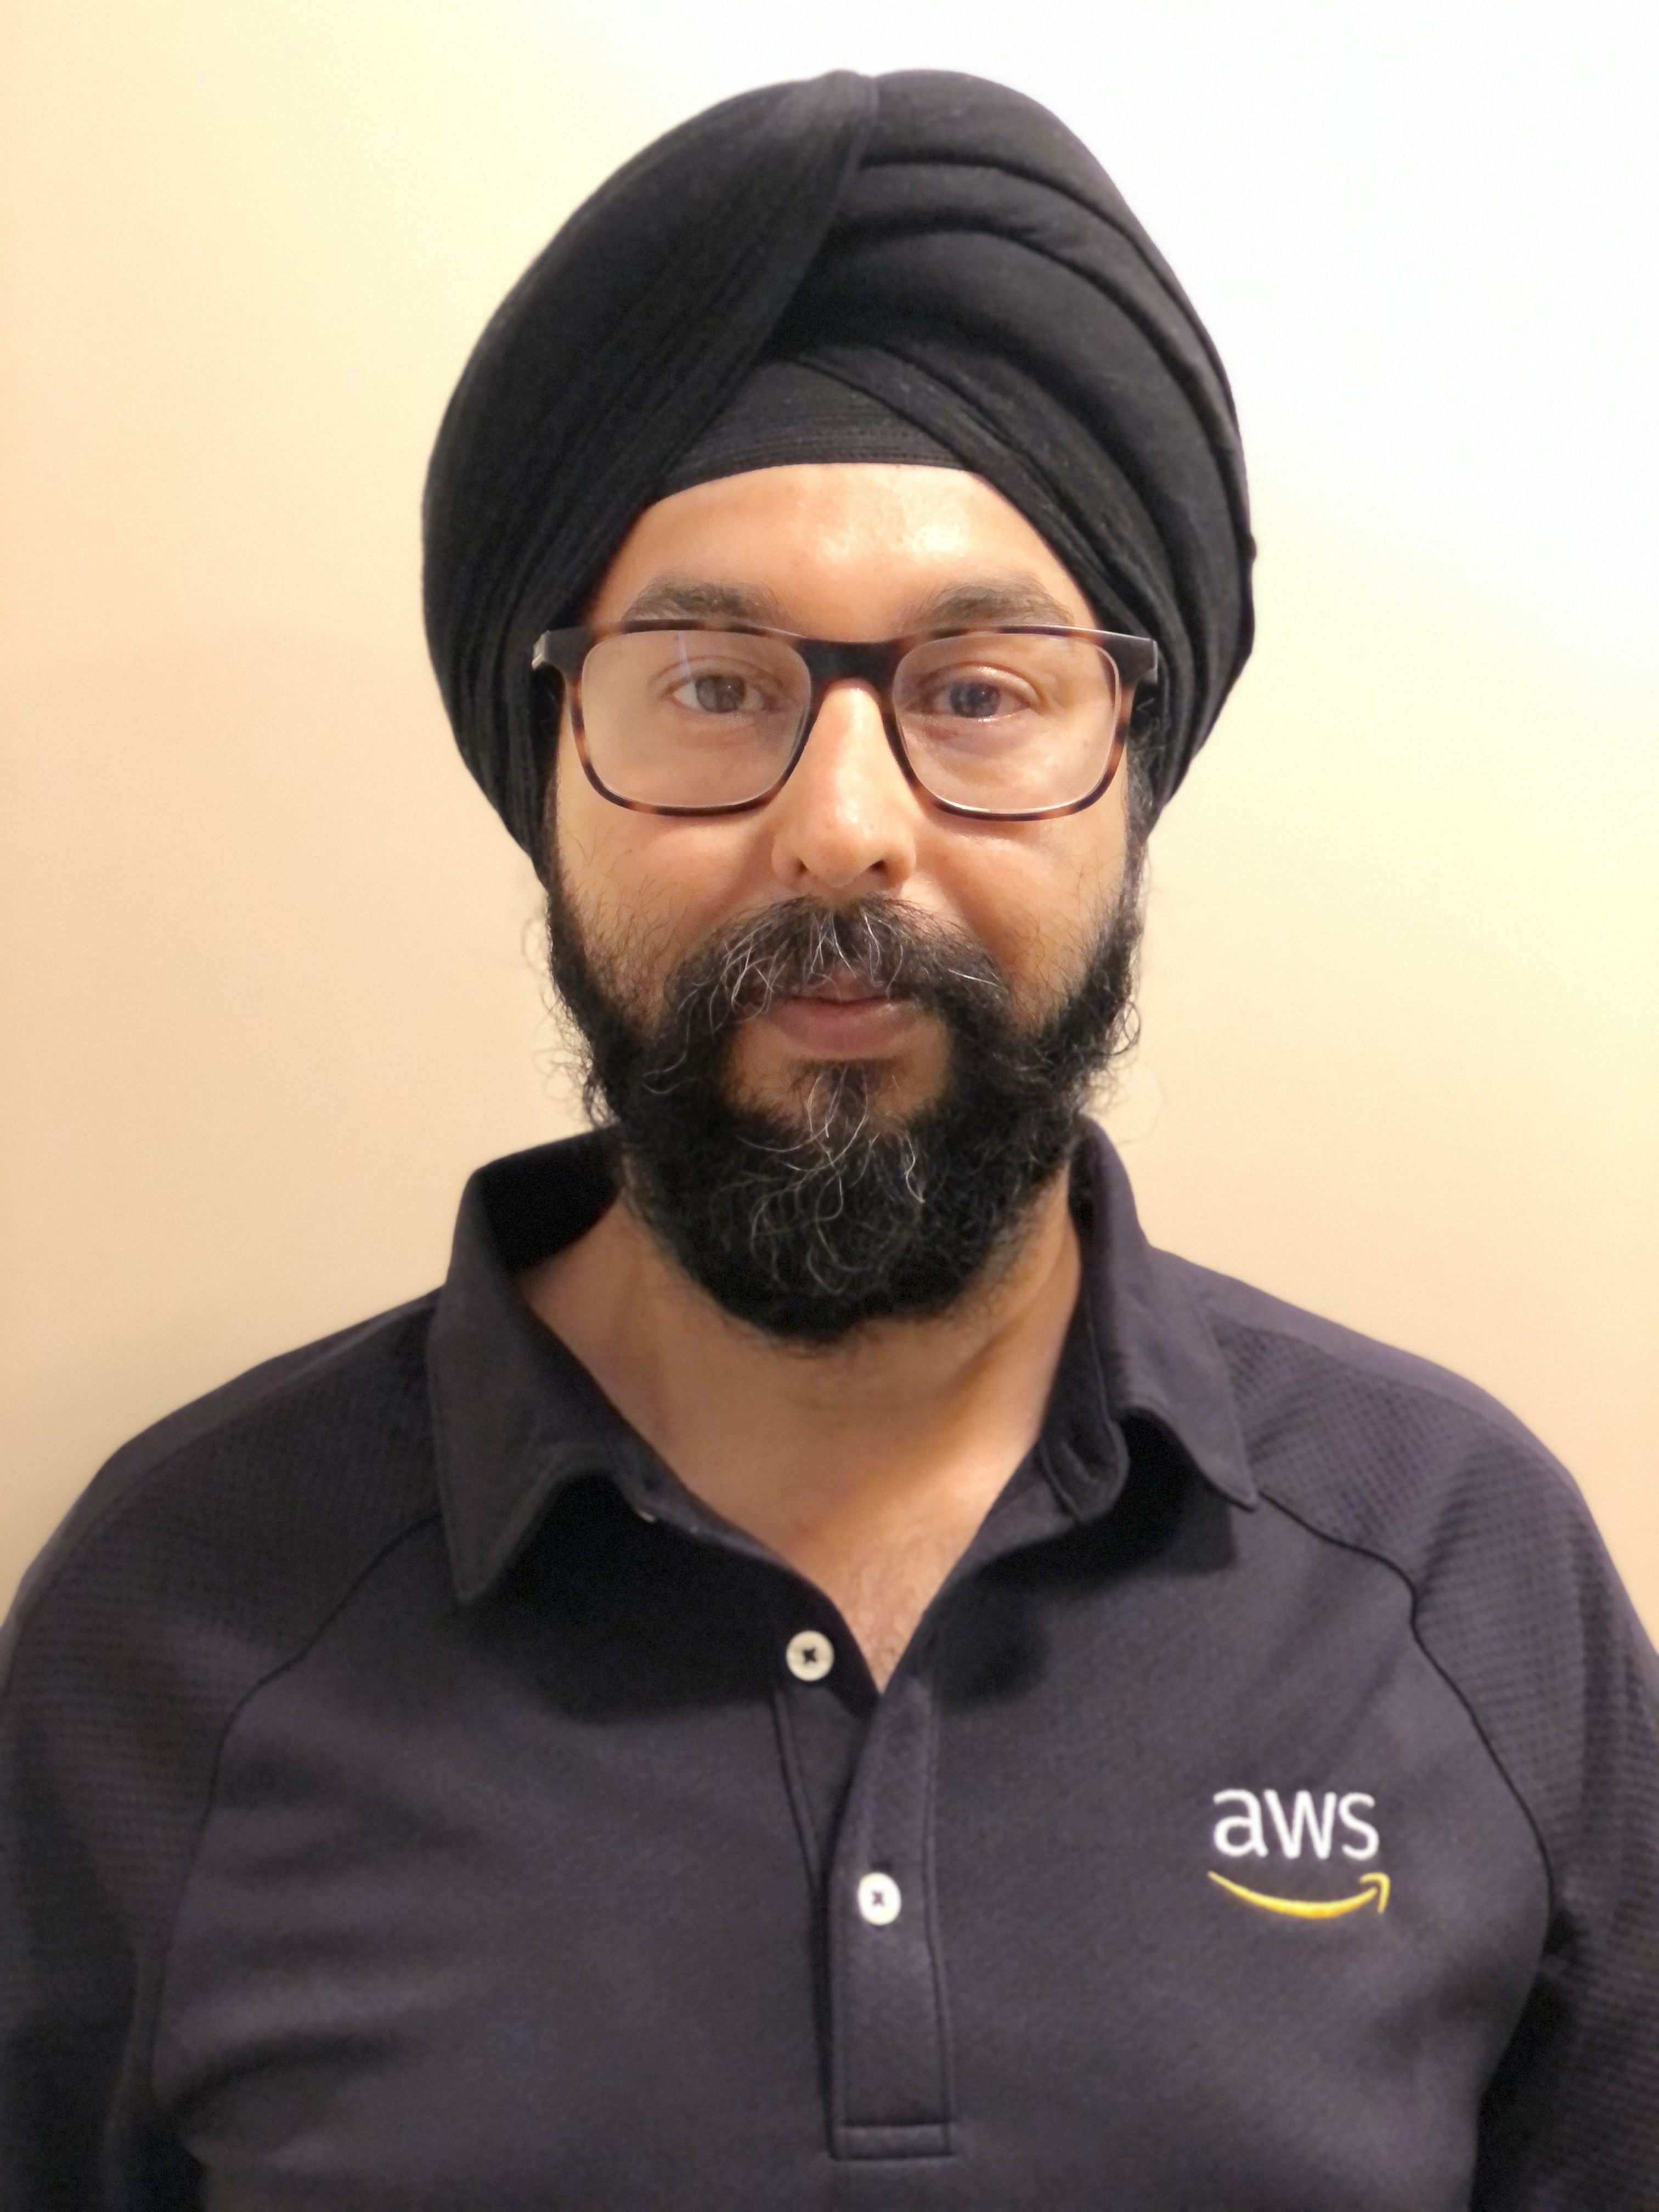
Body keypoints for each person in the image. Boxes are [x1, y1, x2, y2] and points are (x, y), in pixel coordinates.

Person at [2, 67, 1654, 2210]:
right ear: (553, 765)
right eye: (711, 684)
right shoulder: (176, 1624)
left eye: (979, 690)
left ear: (1131, 774)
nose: (846, 827)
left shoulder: (1468, 1580)